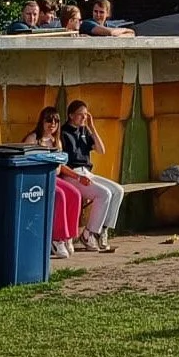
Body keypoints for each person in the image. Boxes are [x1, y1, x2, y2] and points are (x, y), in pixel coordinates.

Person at [60, 99, 124, 252]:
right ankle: (88, 233)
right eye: (80, 115)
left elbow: (101, 150)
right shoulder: (63, 133)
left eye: (86, 114)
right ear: (71, 115)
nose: (84, 118)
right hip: (72, 174)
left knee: (118, 190)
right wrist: (77, 177)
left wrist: (92, 127)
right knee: (104, 193)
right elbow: (61, 165)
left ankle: (102, 230)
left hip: (87, 172)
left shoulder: (85, 131)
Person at [23, 107, 86, 258]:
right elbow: (26, 161)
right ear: (42, 121)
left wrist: (77, 177)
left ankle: (69, 235)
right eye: (49, 120)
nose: (52, 124)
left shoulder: (56, 141)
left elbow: (61, 165)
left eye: (56, 121)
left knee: (75, 195)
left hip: (54, 177)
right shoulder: (33, 139)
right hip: (38, 179)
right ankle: (57, 238)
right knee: (60, 196)